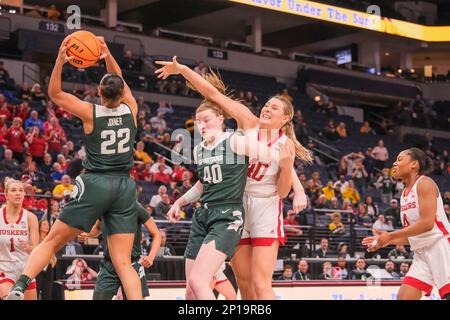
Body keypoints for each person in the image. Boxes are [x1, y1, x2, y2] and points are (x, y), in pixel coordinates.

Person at [156, 56, 310, 300]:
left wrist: (298, 188)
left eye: (274, 108)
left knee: (261, 284)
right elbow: (214, 95)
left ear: (285, 119)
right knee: (245, 282)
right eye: (267, 105)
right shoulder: (249, 123)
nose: (267, 109)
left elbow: (282, 192)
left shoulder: (284, 145)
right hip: (236, 203)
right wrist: (183, 69)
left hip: (265, 207)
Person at [4, 37, 143, 300]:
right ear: (122, 92)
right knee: (124, 263)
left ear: (99, 94)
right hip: (125, 187)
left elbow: (55, 93)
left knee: (52, 242)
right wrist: (106, 54)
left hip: (96, 183)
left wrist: (60, 60)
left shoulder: (90, 112)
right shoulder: (131, 109)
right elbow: (120, 80)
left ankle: (20, 286)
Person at [363, 148, 450, 300]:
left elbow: (427, 224)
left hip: (441, 246)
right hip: (421, 253)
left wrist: (390, 235)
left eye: (399, 159)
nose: (394, 163)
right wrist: (384, 241)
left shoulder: (425, 183)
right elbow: (412, 235)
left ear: (414, 164)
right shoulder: (404, 194)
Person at [80, 202, 162, 300]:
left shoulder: (136, 208)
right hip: (109, 265)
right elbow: (98, 228)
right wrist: (87, 234)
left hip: (132, 263)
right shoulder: (104, 207)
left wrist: (151, 257)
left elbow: (157, 234)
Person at [0, 180, 39, 300]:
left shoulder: (30, 217)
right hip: (4, 267)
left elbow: (35, 249)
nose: (18, 193)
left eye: (21, 190)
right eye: (13, 190)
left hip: (25, 269)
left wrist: (28, 247)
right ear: (6, 195)